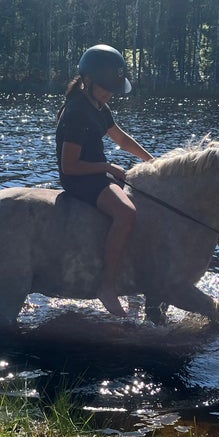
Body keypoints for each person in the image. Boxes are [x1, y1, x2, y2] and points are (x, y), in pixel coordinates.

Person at [55, 44, 154, 317]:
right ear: (87, 81)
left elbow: (121, 139)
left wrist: (152, 162)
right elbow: (70, 166)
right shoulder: (76, 112)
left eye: (113, 89)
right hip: (80, 179)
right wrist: (108, 166)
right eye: (105, 87)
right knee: (125, 213)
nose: (110, 94)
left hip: (97, 173)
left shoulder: (97, 106)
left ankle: (131, 275)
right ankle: (107, 286)